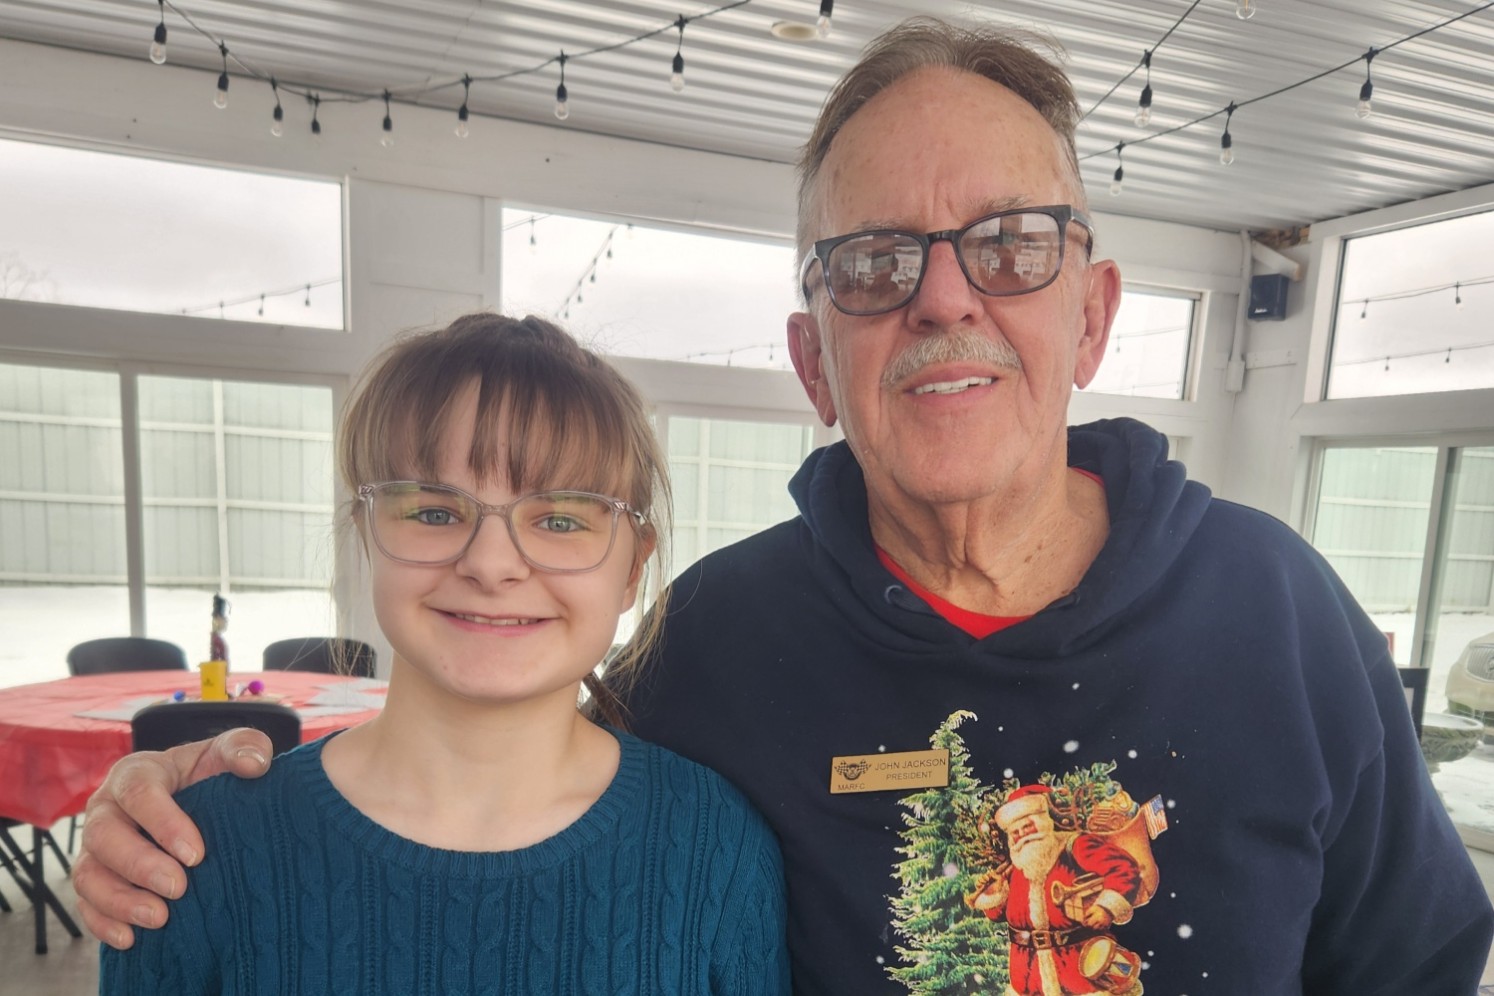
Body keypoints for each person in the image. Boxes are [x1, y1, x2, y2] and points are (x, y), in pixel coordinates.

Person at [73, 16, 1491, 996]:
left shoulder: (1280, 611)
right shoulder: (720, 636)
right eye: (874, 262)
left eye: (1008, 245)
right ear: (815, 361)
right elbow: (495, 753)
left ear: (1093, 313)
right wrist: (187, 805)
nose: (943, 297)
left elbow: (1417, 966)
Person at [95, 313, 789, 993]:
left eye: (558, 519)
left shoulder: (716, 847)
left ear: (633, 568)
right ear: (367, 535)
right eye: (434, 512)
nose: (491, 564)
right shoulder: (192, 852)